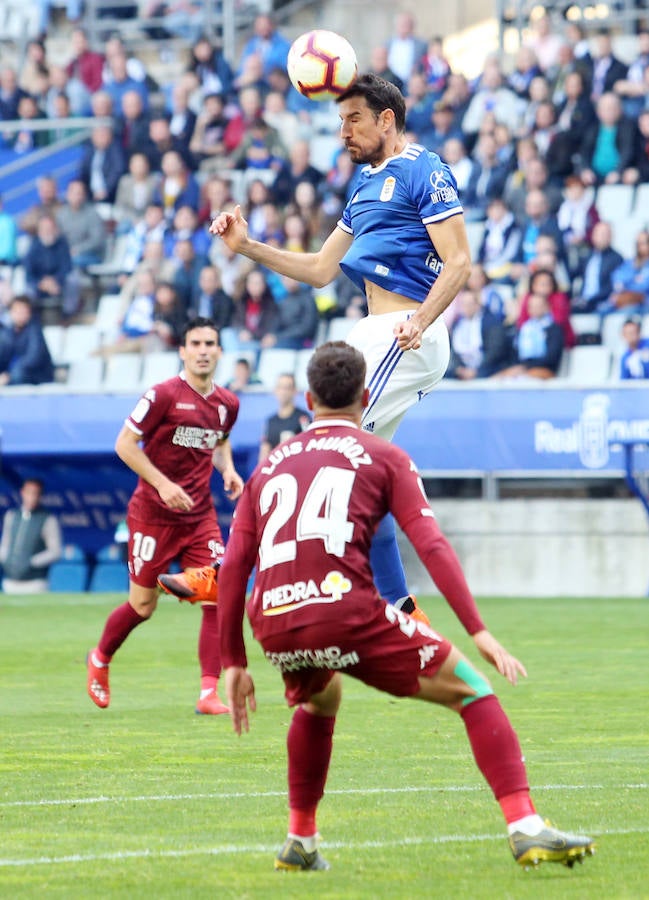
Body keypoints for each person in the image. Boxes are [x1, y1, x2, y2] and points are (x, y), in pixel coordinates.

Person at [216, 340, 595, 871]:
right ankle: (526, 825)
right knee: (473, 690)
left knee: (320, 700)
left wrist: (231, 661)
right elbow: (430, 542)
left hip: (274, 619)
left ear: (307, 400)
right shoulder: (384, 455)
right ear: (367, 397)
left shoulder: (268, 468)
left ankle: (301, 841)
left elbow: (233, 568)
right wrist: (478, 630)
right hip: (345, 610)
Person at [163, 73, 469, 617]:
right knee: (360, 474)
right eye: (339, 122)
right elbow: (322, 269)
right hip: (379, 332)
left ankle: (230, 574)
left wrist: (420, 320)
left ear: (386, 120)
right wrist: (247, 246)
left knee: (313, 451)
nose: (343, 132)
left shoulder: (425, 168)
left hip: (404, 332)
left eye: (353, 120)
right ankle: (404, 614)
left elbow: (460, 261)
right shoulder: (363, 186)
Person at [86, 317, 244, 715]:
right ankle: (100, 658)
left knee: (217, 595)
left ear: (220, 350)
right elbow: (124, 445)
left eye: (211, 342)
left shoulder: (228, 404)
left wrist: (227, 470)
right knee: (142, 606)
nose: (204, 350)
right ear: (183, 350)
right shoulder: (162, 395)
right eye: (196, 343)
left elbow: (219, 444)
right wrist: (162, 484)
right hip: (153, 515)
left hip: (198, 515)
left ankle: (208, 693)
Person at [0, 478, 62, 594]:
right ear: (22, 493)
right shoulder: (12, 516)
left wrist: (31, 562)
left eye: (36, 493)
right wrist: (8, 561)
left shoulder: (47, 519)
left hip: (35, 582)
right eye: (29, 492)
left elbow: (55, 551)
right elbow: (5, 544)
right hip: (10, 581)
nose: (32, 497)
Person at [0, 295, 55, 386]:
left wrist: (9, 375)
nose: (19, 314)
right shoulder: (7, 332)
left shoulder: (35, 330)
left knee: (18, 373)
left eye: (23, 311)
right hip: (14, 373)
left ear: (29, 313)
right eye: (16, 311)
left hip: (37, 376)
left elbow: (33, 358)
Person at [258, 372, 310, 462]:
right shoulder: (270, 421)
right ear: (275, 390)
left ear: (294, 391)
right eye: (280, 387)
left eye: (287, 388)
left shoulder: (303, 418)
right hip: (275, 471)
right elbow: (264, 452)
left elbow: (310, 447)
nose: (283, 392)